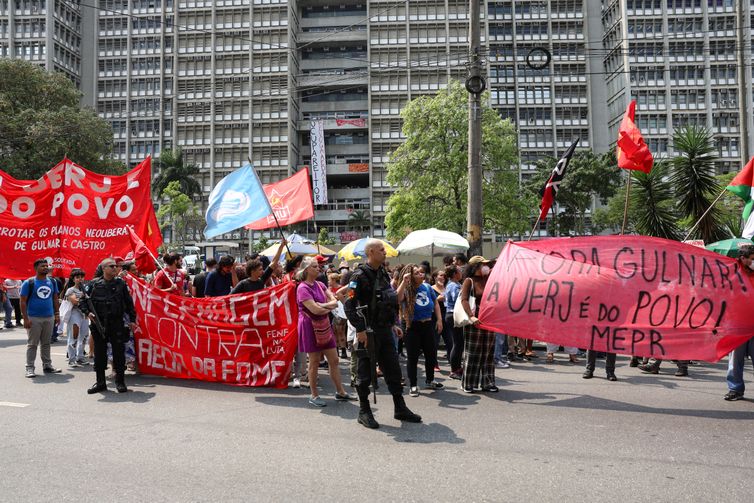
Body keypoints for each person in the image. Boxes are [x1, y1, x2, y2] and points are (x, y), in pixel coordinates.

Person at [344, 239, 422, 429]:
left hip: (385, 331)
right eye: (381, 249)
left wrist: (393, 323)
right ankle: (364, 411)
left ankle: (400, 408)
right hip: (368, 333)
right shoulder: (358, 276)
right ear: (370, 252)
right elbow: (349, 304)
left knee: (394, 371)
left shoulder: (383, 274)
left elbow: (390, 299)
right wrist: (360, 329)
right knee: (364, 375)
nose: (384, 252)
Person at [295, 257, 353, 407]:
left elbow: (333, 301)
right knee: (314, 361)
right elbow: (315, 309)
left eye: (317, 266)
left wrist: (323, 305)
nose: (318, 268)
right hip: (309, 326)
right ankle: (314, 395)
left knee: (334, 360)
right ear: (306, 269)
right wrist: (328, 305)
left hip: (324, 325)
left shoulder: (320, 284)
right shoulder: (302, 288)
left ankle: (340, 392)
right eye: (314, 266)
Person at [80, 258, 138, 394]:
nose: (114, 268)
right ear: (103, 268)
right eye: (111, 266)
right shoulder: (93, 284)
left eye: (115, 266)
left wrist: (132, 320)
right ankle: (100, 382)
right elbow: (82, 301)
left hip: (116, 323)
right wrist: (88, 313)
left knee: (119, 355)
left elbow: (129, 303)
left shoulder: (121, 284)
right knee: (99, 355)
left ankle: (120, 382)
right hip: (99, 324)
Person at [397, 263, 444, 397]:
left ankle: (430, 380)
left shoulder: (427, 287)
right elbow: (398, 298)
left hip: (428, 325)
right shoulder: (406, 289)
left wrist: (439, 320)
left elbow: (435, 303)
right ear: (410, 276)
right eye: (417, 273)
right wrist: (404, 283)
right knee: (412, 357)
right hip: (412, 326)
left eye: (422, 272)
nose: (421, 274)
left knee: (431, 354)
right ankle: (413, 385)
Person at [459, 256, 498, 393]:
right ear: (476, 267)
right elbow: (464, 300)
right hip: (474, 322)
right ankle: (468, 383)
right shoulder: (469, 281)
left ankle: (488, 383)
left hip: (489, 321)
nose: (486, 266)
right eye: (483, 264)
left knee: (488, 353)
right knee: (473, 353)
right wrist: (471, 316)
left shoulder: (489, 280)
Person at [20, 259, 62, 377]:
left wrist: (57, 314)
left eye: (46, 266)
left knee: (46, 343)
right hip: (33, 318)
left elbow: (55, 298)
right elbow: (22, 301)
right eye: (42, 266)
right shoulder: (29, 283)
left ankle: (47, 365)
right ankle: (30, 368)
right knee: (32, 344)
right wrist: (26, 318)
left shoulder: (52, 282)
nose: (45, 267)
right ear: (36, 268)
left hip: (49, 317)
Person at [724, 245, 754, 400]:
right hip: (737, 324)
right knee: (735, 360)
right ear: (743, 259)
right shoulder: (733, 274)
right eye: (752, 259)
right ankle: (735, 389)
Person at [60, 269, 90, 368]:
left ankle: (80, 357)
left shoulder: (85, 288)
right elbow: (75, 302)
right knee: (74, 336)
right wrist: (83, 297)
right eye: (77, 277)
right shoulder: (70, 290)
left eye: (81, 277)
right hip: (74, 314)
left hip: (84, 315)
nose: (80, 279)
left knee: (84, 336)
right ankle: (72, 359)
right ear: (73, 279)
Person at [444, 265, 464, 379]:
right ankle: (454, 370)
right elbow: (458, 299)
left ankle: (458, 367)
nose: (461, 272)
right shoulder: (453, 286)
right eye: (459, 271)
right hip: (453, 314)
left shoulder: (454, 284)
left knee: (459, 343)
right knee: (457, 343)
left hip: (454, 314)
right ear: (455, 274)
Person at [431, 268, 452, 366]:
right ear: (435, 277)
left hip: (446, 317)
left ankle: (452, 361)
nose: (443, 277)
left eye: (444, 275)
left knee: (450, 341)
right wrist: (437, 299)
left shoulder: (447, 288)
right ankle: (434, 363)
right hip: (435, 318)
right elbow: (428, 304)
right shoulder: (430, 288)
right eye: (441, 275)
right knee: (434, 342)